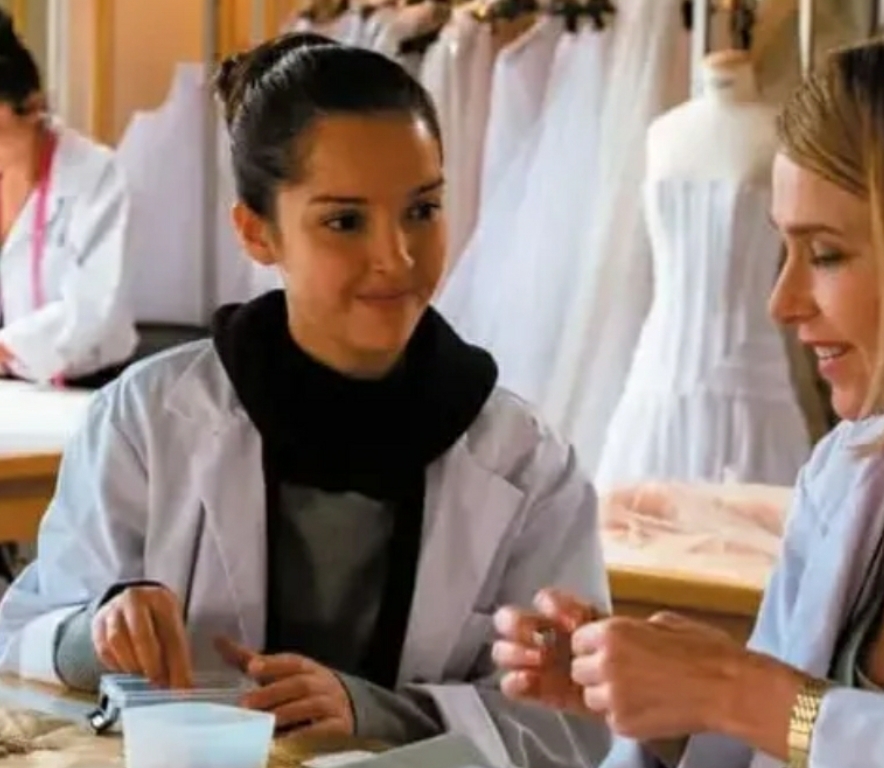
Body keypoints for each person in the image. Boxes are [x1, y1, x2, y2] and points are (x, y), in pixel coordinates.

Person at [0, 34, 612, 768]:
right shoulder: (146, 421)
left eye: (422, 210)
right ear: (257, 232)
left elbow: (569, 727)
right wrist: (98, 630)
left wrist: (375, 713)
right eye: (345, 221)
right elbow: (21, 638)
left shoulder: (527, 463)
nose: (396, 256)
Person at [492, 15, 884, 768]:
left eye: (826, 254)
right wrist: (671, 715)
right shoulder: (845, 476)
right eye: (785, 249)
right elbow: (775, 742)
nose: (782, 303)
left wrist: (733, 690)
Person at [0, 11, 136, 387]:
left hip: (86, 385)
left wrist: (8, 347)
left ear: (33, 107)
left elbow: (95, 304)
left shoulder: (96, 174)